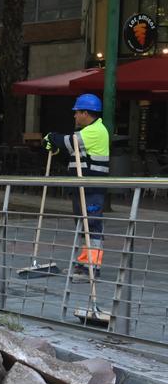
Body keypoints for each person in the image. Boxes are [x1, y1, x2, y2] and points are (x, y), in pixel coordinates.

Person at [44, 94, 110, 281]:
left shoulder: (95, 131)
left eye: (76, 112)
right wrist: (55, 147)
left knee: (92, 227)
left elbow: (69, 141)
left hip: (91, 187)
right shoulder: (89, 131)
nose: (74, 116)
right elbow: (73, 150)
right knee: (84, 226)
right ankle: (83, 265)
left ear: (85, 113)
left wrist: (52, 137)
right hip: (82, 186)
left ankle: (92, 268)